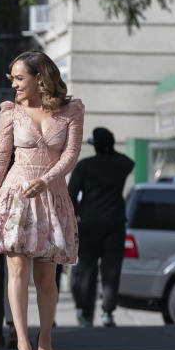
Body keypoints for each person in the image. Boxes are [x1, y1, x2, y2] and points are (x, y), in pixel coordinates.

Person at [0, 51, 84, 350]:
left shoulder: (71, 111)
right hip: (15, 197)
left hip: (51, 197)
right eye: (12, 79)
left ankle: (46, 339)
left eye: (19, 78)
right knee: (16, 269)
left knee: (46, 280)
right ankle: (22, 342)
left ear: (40, 78)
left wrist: (46, 179)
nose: (14, 86)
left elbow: (71, 154)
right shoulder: (10, 113)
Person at [67, 127, 135, 328]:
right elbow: (129, 161)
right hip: (114, 224)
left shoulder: (84, 166)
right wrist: (110, 149)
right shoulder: (121, 164)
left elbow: (71, 195)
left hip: (88, 224)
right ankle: (108, 311)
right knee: (111, 270)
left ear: (94, 146)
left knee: (86, 270)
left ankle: (85, 311)